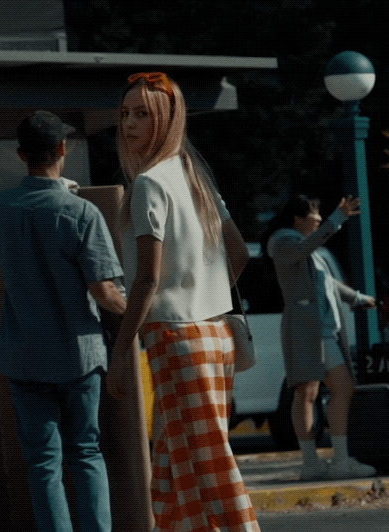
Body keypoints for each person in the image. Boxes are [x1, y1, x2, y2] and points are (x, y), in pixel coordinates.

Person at [104, 71, 258, 531]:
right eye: (125, 114)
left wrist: (120, 352)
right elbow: (239, 253)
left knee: (207, 465)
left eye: (142, 115)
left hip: (175, 337)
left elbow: (146, 280)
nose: (129, 124)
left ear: (167, 120)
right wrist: (204, 289)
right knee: (174, 470)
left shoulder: (150, 184)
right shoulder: (194, 175)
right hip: (215, 334)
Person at [0, 111, 126, 532]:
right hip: (77, 353)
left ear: (20, 155)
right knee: (84, 452)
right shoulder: (82, 213)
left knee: (42, 462)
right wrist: (137, 309)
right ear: (63, 150)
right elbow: (104, 293)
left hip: (22, 353)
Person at [264, 194, 378, 481]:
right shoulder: (283, 242)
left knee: (333, 389)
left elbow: (330, 284)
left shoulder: (309, 249)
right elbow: (302, 249)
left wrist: (359, 298)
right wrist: (336, 219)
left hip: (323, 330)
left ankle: (335, 460)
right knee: (309, 392)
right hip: (305, 329)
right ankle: (316, 462)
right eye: (315, 213)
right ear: (298, 217)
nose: (319, 219)